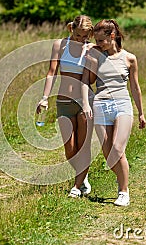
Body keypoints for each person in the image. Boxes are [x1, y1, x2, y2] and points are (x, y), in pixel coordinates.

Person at [81, 19, 146, 206]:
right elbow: (86, 81)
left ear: (112, 36)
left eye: (102, 40)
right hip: (101, 105)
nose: (99, 44)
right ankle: (121, 179)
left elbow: (135, 87)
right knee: (109, 157)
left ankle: (123, 191)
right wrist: (86, 104)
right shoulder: (95, 54)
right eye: (97, 41)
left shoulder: (130, 58)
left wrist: (141, 112)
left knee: (118, 149)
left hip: (122, 105)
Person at [36, 15, 95, 198]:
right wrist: (44, 97)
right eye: (78, 35)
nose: (81, 39)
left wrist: (90, 58)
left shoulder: (91, 49)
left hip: (85, 102)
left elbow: (93, 78)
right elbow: (51, 72)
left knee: (83, 145)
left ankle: (77, 186)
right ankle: (82, 176)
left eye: (85, 36)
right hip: (63, 101)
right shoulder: (60, 45)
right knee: (69, 148)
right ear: (72, 30)